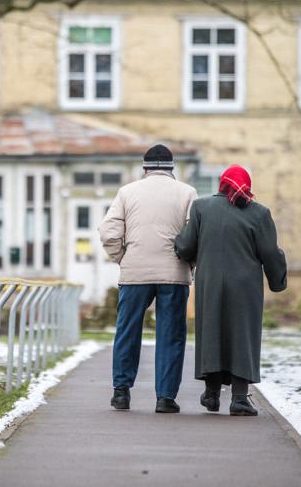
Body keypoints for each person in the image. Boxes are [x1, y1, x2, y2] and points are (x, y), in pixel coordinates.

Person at [173, 165, 287, 416]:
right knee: (242, 335)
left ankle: (211, 394)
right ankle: (239, 398)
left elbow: (187, 246)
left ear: (222, 184)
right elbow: (270, 252)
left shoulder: (201, 208)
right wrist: (277, 281)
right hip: (245, 286)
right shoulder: (259, 213)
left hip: (210, 282)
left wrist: (178, 244)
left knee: (211, 332)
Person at [98, 144, 197, 413]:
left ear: (145, 168)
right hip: (174, 273)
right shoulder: (188, 193)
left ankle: (121, 392)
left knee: (127, 330)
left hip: (134, 272)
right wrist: (189, 263)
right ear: (172, 168)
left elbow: (108, 231)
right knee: (171, 335)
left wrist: (122, 258)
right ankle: (165, 398)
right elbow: (195, 236)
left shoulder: (127, 192)